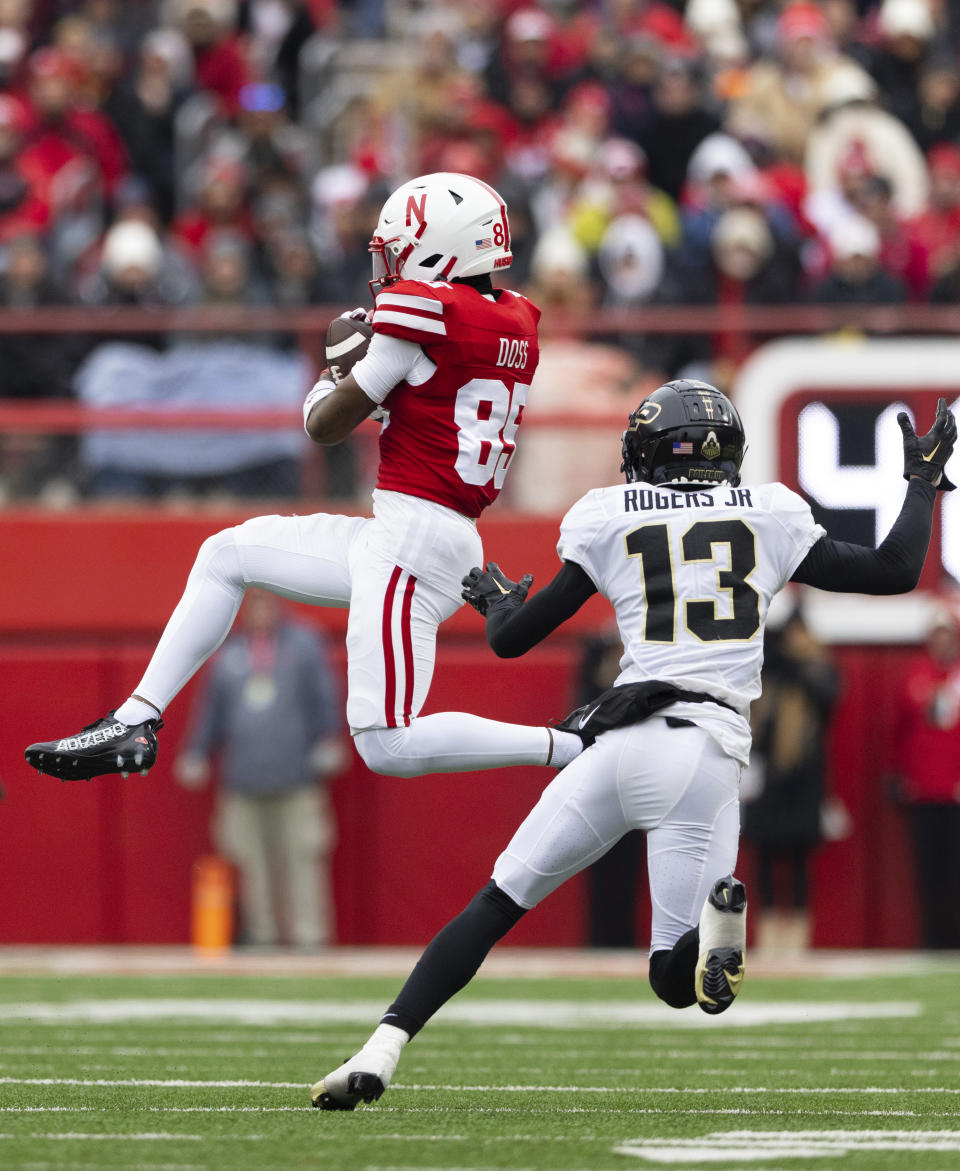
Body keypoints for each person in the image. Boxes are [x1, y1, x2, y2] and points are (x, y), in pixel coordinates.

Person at [309, 380, 956, 1111]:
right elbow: (895, 570)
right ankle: (718, 921)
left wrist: (497, 601)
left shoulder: (609, 515)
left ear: (647, 450)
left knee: (494, 904)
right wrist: (923, 479)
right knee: (676, 984)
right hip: (706, 753)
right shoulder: (769, 514)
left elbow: (512, 641)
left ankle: (382, 1047)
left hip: (617, 743)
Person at [25, 172, 584, 782]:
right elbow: (433, 400)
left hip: (413, 542)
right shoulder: (512, 319)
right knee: (225, 554)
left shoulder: (430, 314)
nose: (391, 264)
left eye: (398, 247)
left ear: (439, 244)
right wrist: (370, 383)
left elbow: (322, 426)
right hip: (417, 533)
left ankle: (566, 745)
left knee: (385, 743)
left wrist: (331, 375)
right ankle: (136, 718)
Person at [173, 591, 345, 950]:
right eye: (254, 604)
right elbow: (212, 712)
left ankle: (309, 935)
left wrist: (330, 738)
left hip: (296, 776)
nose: (261, 611)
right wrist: (197, 752)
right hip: (243, 778)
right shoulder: (230, 653)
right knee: (250, 862)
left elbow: (323, 695)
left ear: (281, 604)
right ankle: (262, 934)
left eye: (268, 602)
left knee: (302, 856)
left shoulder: (303, 645)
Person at [741, 607, 840, 955]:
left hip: (802, 782)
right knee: (765, 862)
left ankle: (796, 944)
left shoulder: (818, 669)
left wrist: (794, 661)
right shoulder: (769, 676)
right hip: (768, 783)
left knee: (798, 862)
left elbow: (826, 694)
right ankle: (768, 943)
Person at [893, 606, 960, 948]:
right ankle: (933, 940)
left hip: (955, 793)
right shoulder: (915, 675)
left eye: (946, 633)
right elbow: (901, 733)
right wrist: (900, 776)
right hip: (923, 792)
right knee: (929, 871)